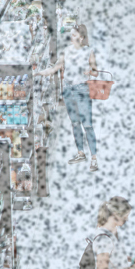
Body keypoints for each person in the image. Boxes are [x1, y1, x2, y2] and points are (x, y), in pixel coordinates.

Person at [37, 23, 99, 171]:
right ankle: (80, 152)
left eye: (74, 35)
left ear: (82, 37)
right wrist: (39, 72)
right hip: (68, 90)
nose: (71, 37)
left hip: (82, 90)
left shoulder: (88, 52)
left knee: (88, 125)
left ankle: (94, 158)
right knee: (75, 123)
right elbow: (54, 68)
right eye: (71, 34)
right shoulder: (66, 51)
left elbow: (96, 72)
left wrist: (89, 72)